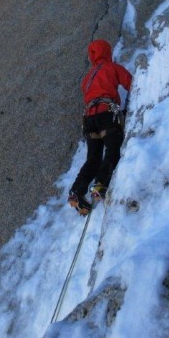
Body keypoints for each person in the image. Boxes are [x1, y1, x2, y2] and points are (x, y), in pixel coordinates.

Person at [68, 39, 133, 216]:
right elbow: (131, 82)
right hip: (106, 113)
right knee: (112, 149)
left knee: (93, 158)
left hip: (89, 119)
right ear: (107, 52)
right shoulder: (112, 68)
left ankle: (77, 190)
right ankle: (100, 183)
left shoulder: (87, 78)